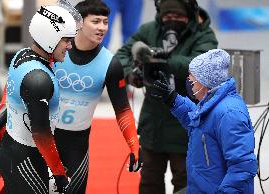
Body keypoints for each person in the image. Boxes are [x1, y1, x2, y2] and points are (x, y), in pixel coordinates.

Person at [115, 0, 218, 193]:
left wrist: (161, 60)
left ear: (190, 15)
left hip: (187, 125)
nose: (172, 21)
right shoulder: (149, 30)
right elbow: (122, 54)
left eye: (178, 17)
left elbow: (202, 64)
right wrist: (132, 73)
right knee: (149, 182)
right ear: (160, 16)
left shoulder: (204, 34)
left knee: (185, 182)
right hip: (153, 124)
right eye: (167, 17)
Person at [52, 1, 142, 193]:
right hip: (43, 137)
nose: (102, 27)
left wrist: (134, 146)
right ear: (79, 23)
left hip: (77, 145)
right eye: (96, 21)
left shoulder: (111, 64)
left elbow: (123, 110)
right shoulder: (54, 49)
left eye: (105, 22)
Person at [0, 2, 80, 193]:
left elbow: (7, 96)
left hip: (13, 151)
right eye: (66, 40)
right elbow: (41, 136)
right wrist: (59, 174)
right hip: (26, 160)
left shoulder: (22, 55)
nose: (69, 46)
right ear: (50, 38)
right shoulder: (39, 80)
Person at [151, 49, 257, 193]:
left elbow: (242, 167)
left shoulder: (229, 114)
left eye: (193, 80)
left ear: (205, 82)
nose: (190, 84)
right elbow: (199, 124)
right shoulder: (212, 103)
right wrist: (172, 99)